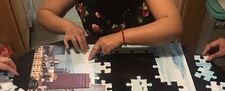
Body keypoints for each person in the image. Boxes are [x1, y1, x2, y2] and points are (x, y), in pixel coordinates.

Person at [37, 0, 183, 60]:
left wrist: (121, 37)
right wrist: (66, 26)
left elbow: (173, 25)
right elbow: (44, 13)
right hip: (102, 57)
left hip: (146, 55)